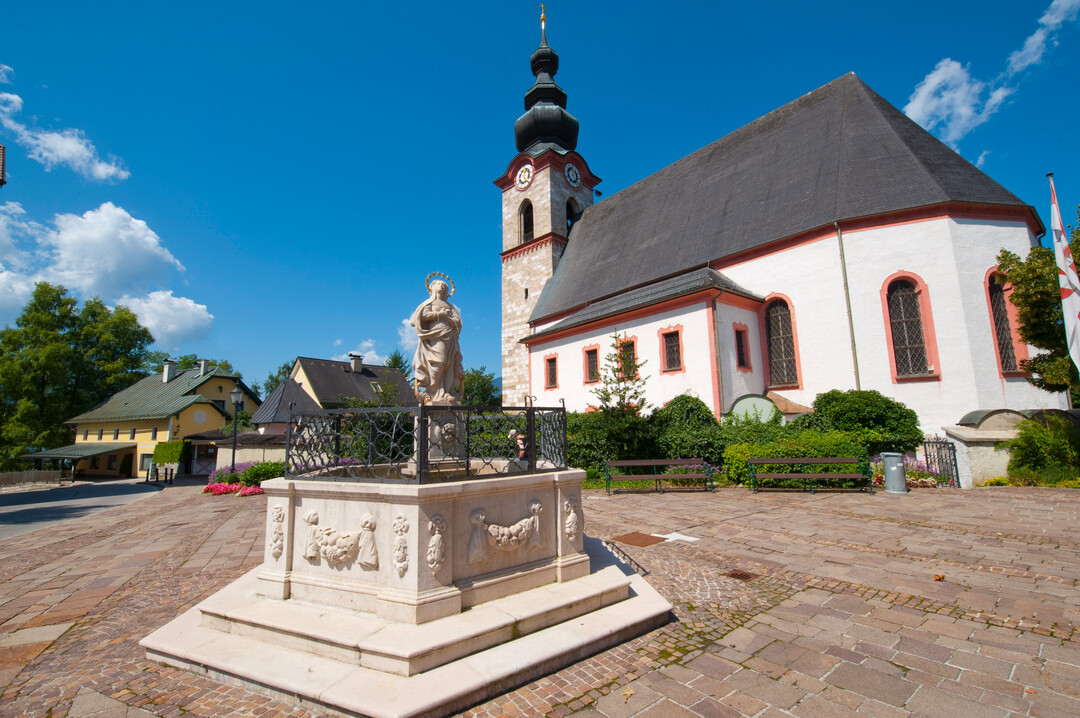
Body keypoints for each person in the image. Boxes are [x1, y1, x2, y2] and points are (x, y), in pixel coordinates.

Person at [410, 276, 466, 404]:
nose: (442, 286)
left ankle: (447, 392)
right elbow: (416, 319)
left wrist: (450, 319)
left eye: (444, 285)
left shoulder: (450, 306)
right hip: (434, 337)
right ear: (432, 287)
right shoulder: (429, 304)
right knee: (439, 362)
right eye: (439, 284)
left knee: (449, 365)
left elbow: (458, 321)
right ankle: (433, 391)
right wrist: (440, 314)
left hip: (450, 337)